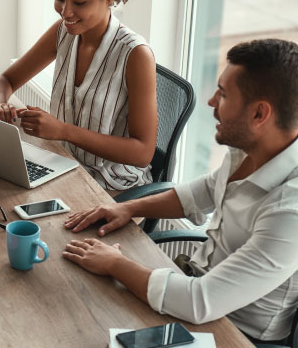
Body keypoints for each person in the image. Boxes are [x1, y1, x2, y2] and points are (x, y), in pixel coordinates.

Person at [62, 39, 298, 344]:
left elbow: (199, 303)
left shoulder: (289, 213)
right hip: (196, 289)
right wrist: (128, 208)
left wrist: (115, 264)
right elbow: (199, 193)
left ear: (259, 115)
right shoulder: (249, 151)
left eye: (223, 95)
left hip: (236, 333)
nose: (211, 101)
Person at [0, 0, 157, 192]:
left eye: (79, 2)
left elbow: (142, 153)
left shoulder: (135, 54)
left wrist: (64, 131)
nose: (66, 12)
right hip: (62, 164)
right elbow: (6, 80)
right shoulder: (63, 33)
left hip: (111, 185)